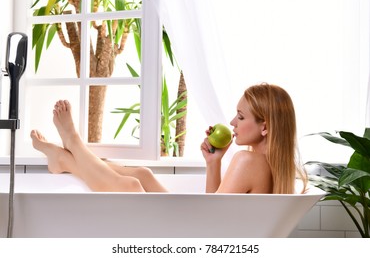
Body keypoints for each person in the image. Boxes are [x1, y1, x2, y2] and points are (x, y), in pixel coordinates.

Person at [31, 83, 307, 194]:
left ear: (265, 127)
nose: (232, 122)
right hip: (204, 235)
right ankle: (64, 159)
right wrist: (213, 163)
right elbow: (221, 215)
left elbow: (214, 218)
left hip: (195, 240)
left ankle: (73, 146)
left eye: (241, 117)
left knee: (130, 186)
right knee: (142, 173)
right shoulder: (270, 164)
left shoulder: (247, 160)